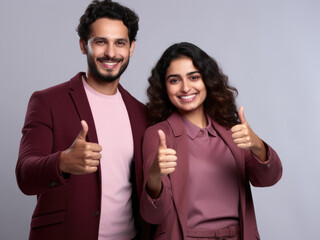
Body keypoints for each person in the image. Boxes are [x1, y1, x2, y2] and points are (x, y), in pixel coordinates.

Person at [16, 1, 148, 239]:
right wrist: (63, 162)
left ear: (131, 48)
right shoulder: (47, 101)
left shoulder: (143, 114)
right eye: (100, 41)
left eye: (120, 42)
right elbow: (25, 176)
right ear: (83, 45)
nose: (110, 52)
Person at [140, 42, 282, 240]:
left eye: (194, 77)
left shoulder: (231, 130)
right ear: (164, 87)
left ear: (207, 80)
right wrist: (154, 176)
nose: (185, 87)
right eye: (174, 80)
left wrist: (257, 145)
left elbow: (268, 179)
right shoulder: (159, 134)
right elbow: (153, 214)